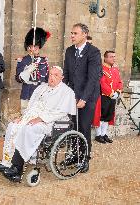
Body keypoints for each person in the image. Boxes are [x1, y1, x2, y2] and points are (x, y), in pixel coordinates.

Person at [0, 66, 76, 182]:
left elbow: (61, 112)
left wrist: (41, 118)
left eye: (55, 75)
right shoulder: (41, 88)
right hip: (33, 118)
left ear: (62, 77)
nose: (52, 77)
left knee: (27, 129)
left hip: (53, 123)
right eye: (50, 74)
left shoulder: (67, 92)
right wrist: (22, 117)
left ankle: (17, 169)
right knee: (13, 126)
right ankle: (6, 162)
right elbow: (31, 106)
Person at [63, 23, 102, 173]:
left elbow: (93, 79)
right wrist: (62, 93)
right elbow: (66, 74)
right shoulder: (69, 51)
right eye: (71, 33)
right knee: (72, 127)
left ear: (84, 34)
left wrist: (84, 99)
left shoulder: (93, 52)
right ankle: (73, 155)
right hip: (72, 96)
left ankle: (84, 158)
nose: (72, 36)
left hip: (88, 97)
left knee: (84, 128)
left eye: (75, 33)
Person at [16, 27, 50, 113]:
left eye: (35, 46)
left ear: (39, 47)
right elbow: (18, 79)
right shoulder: (23, 60)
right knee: (25, 118)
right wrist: (27, 71)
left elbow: (46, 79)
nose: (32, 49)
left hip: (40, 94)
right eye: (30, 46)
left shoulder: (44, 61)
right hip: (27, 93)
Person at [93, 51, 123, 143]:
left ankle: (104, 134)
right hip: (103, 96)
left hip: (113, 96)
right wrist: (111, 93)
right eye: (111, 57)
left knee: (108, 116)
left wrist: (118, 92)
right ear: (105, 58)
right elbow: (102, 83)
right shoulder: (101, 69)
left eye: (114, 56)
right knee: (101, 116)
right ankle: (98, 135)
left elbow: (119, 82)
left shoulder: (115, 70)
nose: (113, 58)